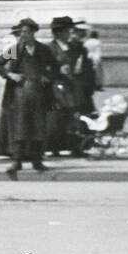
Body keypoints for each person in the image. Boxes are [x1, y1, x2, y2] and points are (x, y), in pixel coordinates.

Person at [0, 18, 58, 179]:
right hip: (19, 95)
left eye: (25, 31)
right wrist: (10, 74)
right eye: (21, 32)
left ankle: (37, 161)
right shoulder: (16, 49)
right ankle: (17, 162)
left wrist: (48, 77)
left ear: (33, 32)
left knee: (38, 127)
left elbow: (56, 67)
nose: (22, 34)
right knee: (20, 127)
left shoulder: (43, 49)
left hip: (39, 94)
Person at [45, 16, 85, 156]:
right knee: (57, 118)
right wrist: (57, 70)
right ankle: (54, 147)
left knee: (74, 116)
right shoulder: (49, 48)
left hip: (72, 86)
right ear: (58, 33)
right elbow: (45, 67)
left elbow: (80, 63)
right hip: (56, 86)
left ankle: (75, 147)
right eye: (67, 31)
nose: (69, 33)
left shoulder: (74, 47)